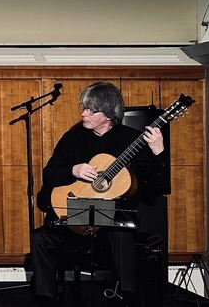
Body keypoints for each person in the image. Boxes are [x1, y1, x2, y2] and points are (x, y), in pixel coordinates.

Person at [31, 82, 169, 307]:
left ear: (108, 114)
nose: (83, 113)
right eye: (83, 107)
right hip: (75, 222)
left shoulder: (133, 140)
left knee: (121, 234)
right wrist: (72, 170)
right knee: (40, 238)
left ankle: (128, 299)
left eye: (90, 109)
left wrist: (158, 153)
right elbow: (49, 175)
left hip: (114, 225)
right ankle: (46, 300)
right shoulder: (72, 138)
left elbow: (154, 189)